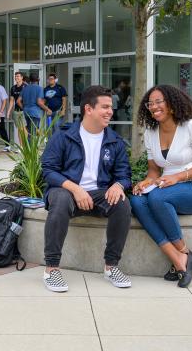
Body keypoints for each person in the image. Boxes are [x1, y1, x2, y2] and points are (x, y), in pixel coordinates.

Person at [40, 85, 133, 292]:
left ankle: (111, 266)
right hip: (66, 192)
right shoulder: (63, 136)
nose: (110, 111)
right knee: (62, 199)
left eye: (111, 107)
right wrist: (76, 189)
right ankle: (51, 269)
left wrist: (118, 185)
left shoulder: (115, 141)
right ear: (88, 109)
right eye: (105, 107)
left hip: (98, 194)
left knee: (122, 203)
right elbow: (48, 170)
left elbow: (124, 175)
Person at [129, 84, 192, 288]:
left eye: (159, 102)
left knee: (158, 197)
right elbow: (154, 171)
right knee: (137, 200)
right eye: (150, 103)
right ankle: (180, 258)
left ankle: (183, 252)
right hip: (166, 187)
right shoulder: (151, 132)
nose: (154, 106)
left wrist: (178, 177)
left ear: (173, 104)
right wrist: (146, 182)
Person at [7, 71, 26, 142]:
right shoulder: (13, 88)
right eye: (15, 76)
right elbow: (12, 101)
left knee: (24, 128)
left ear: (22, 77)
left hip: (24, 111)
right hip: (16, 111)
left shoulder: (25, 86)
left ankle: (26, 146)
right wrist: (9, 112)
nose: (16, 77)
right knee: (19, 129)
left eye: (18, 76)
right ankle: (21, 147)